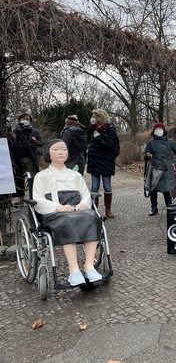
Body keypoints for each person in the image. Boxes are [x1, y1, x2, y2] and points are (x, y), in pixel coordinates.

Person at [33, 140, 102, 286]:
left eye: (64, 149)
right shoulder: (41, 176)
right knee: (67, 220)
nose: (60, 152)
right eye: (56, 149)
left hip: (77, 210)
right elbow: (38, 199)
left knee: (92, 217)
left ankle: (89, 266)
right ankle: (74, 270)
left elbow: (85, 194)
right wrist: (57, 207)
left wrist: (84, 202)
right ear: (48, 153)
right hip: (54, 214)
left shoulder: (75, 175)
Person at [86, 109, 119, 218]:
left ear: (100, 117)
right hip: (95, 163)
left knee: (107, 186)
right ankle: (94, 209)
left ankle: (108, 209)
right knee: (94, 187)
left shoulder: (110, 130)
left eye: (94, 116)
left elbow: (109, 145)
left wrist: (98, 137)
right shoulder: (95, 130)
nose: (92, 118)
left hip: (106, 163)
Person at [144, 122, 176, 216]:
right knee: (153, 189)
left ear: (164, 130)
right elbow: (145, 155)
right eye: (156, 129)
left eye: (160, 129)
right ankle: (154, 207)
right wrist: (148, 155)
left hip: (166, 168)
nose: (158, 131)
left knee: (166, 189)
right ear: (154, 131)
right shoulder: (150, 142)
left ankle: (169, 207)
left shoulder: (170, 142)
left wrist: (175, 162)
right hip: (154, 167)